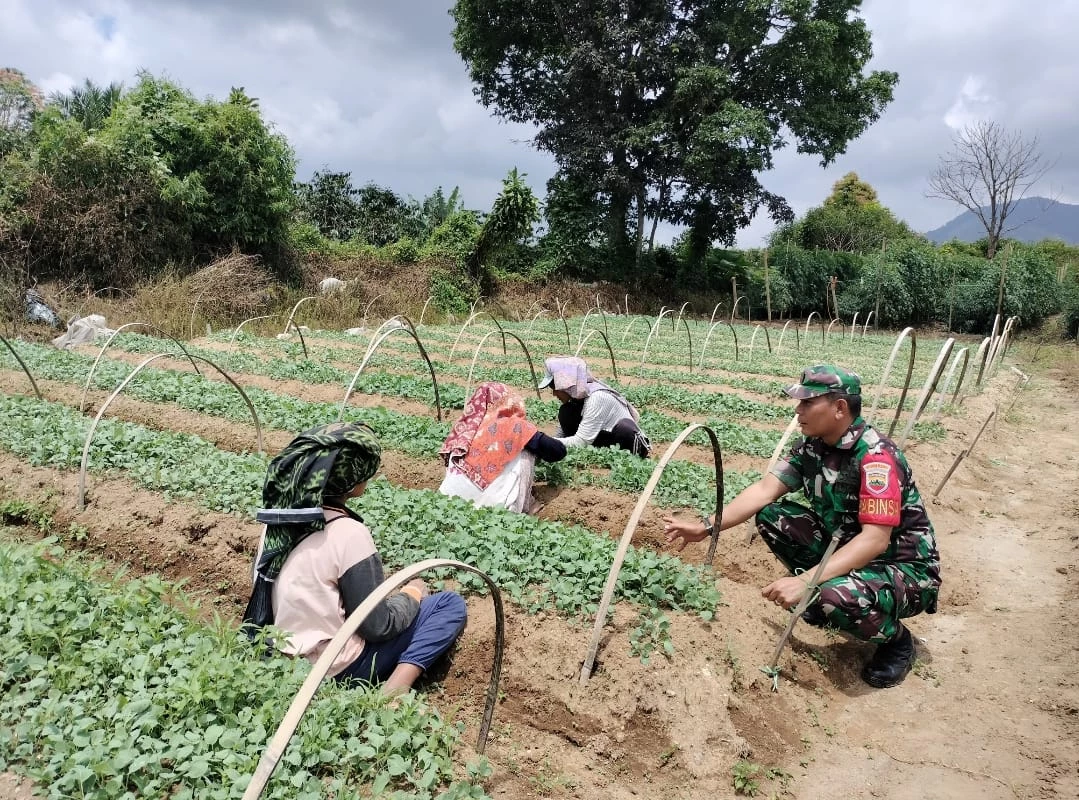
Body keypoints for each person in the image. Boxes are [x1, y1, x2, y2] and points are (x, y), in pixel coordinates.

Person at [664, 365, 941, 689]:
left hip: (904, 569)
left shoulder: (876, 458)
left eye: (809, 403)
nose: (798, 410)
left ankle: (897, 641)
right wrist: (707, 526)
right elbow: (764, 491)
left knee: (832, 595)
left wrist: (807, 580)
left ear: (839, 408)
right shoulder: (812, 447)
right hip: (847, 550)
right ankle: (824, 599)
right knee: (774, 517)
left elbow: (874, 541)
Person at [243, 422, 467, 694]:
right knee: (449, 604)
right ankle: (395, 689)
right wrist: (412, 593)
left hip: (284, 661)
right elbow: (377, 626)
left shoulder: (276, 522)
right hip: (337, 669)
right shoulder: (348, 533)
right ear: (352, 479)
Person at [439, 381, 566, 513]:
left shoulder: (467, 427)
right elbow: (558, 451)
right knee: (525, 447)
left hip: (448, 500)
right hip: (495, 507)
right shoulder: (515, 426)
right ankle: (515, 504)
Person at [537, 355, 651, 457]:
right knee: (566, 412)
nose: (554, 394)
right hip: (604, 439)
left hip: (627, 442)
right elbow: (562, 434)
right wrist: (548, 444)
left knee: (623, 428)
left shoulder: (596, 398)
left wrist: (546, 442)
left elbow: (581, 441)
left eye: (554, 387)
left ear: (565, 383)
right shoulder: (577, 400)